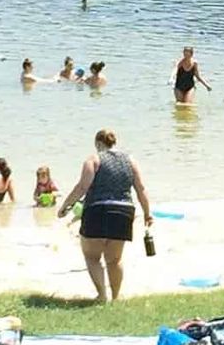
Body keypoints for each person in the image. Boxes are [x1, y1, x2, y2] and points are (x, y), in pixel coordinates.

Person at [58, 129, 153, 303]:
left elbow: (82, 187)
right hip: (124, 211)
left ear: (98, 143)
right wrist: (147, 213)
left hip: (97, 209)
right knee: (115, 259)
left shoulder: (94, 159)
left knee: (92, 256)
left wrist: (65, 206)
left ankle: (102, 295)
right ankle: (116, 297)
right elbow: (141, 188)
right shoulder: (130, 160)